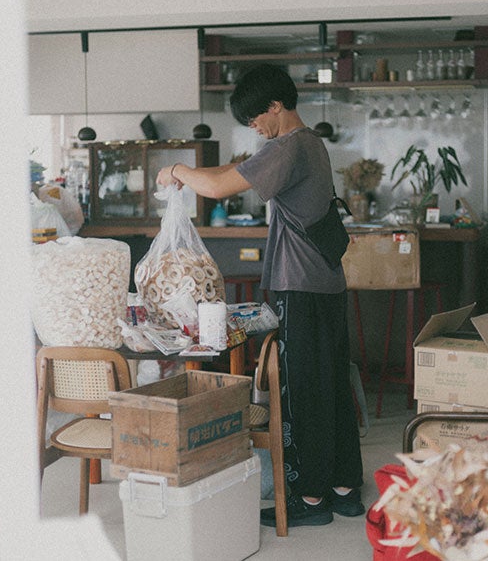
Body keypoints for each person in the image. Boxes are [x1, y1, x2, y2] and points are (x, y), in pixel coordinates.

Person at [156, 64, 364, 528]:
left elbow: (216, 186)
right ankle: (344, 487)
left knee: (304, 391)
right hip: (326, 282)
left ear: (275, 106)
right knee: (332, 384)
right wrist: (197, 172)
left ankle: (309, 499)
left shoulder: (286, 147)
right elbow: (232, 170)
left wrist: (175, 169)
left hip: (300, 284)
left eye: (255, 118)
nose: (254, 127)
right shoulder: (308, 143)